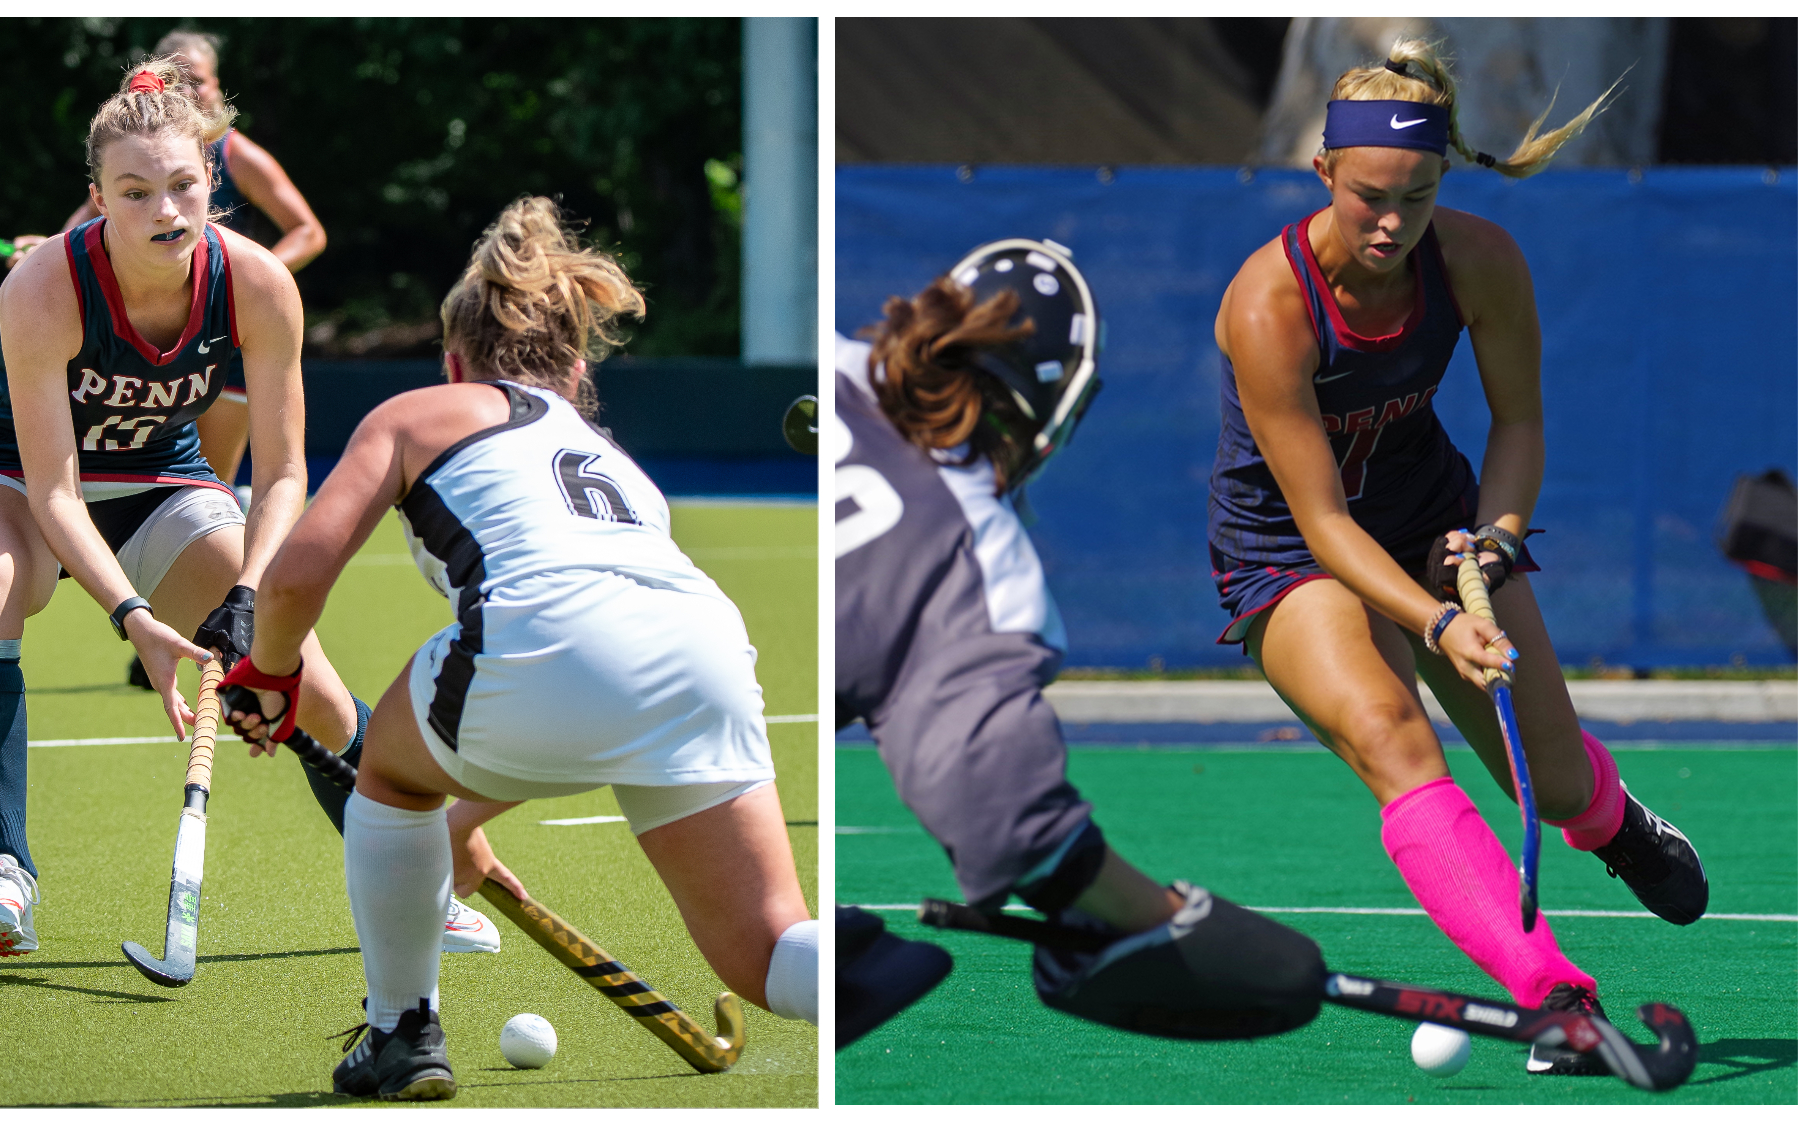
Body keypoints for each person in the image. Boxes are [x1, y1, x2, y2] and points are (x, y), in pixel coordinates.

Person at [221, 196, 818, 1100]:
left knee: (389, 766)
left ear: (453, 359)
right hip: (706, 650)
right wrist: (464, 820)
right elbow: (607, 675)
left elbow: (297, 574)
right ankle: (885, 961)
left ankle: (401, 1031)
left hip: (540, 634)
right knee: (767, 950)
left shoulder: (420, 413)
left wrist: (268, 669)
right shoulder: (616, 462)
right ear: (575, 372)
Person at [1207, 39, 1708, 1076]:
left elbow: (1517, 424)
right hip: (1290, 551)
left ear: (1444, 181)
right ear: (1322, 176)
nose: (1391, 224)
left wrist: (1495, 540)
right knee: (1393, 734)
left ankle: (1610, 825)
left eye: (1417, 198)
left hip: (1435, 520)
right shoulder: (1268, 306)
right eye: (1367, 199)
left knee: (1557, 784)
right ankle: (1558, 1003)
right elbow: (1321, 525)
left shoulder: (1476, 260)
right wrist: (1438, 624)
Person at [0, 57, 489, 962]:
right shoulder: (42, 288)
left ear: (212, 180)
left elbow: (287, 470)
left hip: (160, 476)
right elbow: (56, 490)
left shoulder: (259, 284)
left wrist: (252, 593)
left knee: (311, 680)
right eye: (135, 192)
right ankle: (2, 872)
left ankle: (419, 882)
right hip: (8, 475)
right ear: (98, 195)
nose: (165, 213)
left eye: (183, 186)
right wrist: (135, 620)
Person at [835, 239, 1324, 1049]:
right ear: (1051, 424)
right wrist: (1165, 919)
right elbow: (1009, 820)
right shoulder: (982, 564)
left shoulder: (834, 360)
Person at [10, 29, 326, 495]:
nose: (163, 207)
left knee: (203, 492)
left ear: (217, 86)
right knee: (144, 489)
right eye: (175, 80)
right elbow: (73, 237)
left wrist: (245, 286)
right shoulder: (130, 159)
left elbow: (309, 231)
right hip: (148, 343)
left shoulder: (237, 155)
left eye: (197, 80)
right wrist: (40, 256)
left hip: (225, 337)